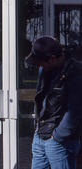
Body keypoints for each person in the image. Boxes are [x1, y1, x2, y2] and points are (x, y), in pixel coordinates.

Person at [25, 36, 82, 169]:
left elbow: (75, 110)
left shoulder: (75, 72)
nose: (39, 66)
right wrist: (37, 128)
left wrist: (58, 136)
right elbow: (41, 98)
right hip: (41, 134)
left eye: (41, 63)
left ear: (52, 58)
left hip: (59, 140)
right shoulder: (45, 69)